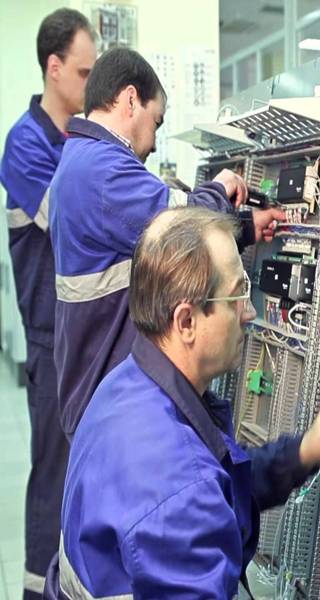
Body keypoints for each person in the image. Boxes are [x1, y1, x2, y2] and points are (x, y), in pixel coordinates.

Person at [45, 207, 320, 598]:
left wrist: (306, 449)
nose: (250, 312)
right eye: (237, 295)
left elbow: (221, 485)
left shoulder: (124, 385)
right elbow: (192, 493)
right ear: (186, 322)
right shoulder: (179, 488)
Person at [48, 47, 283, 439]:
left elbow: (148, 242)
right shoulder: (101, 171)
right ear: (130, 100)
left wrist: (244, 227)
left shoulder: (81, 161)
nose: (155, 143)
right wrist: (220, 187)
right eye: (156, 122)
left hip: (97, 387)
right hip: (109, 399)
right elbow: (179, 226)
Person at [0, 9, 96, 598]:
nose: (92, 83)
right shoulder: (25, 143)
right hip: (50, 338)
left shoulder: (77, 140)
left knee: (83, 474)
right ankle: (38, 590)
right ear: (54, 67)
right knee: (53, 479)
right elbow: (72, 218)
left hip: (83, 336)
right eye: (85, 72)